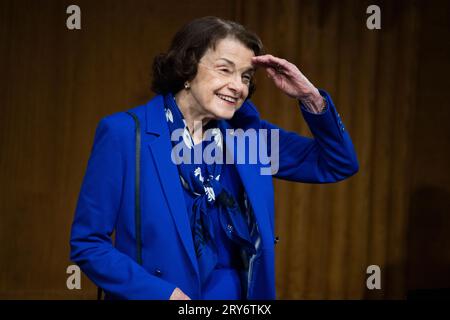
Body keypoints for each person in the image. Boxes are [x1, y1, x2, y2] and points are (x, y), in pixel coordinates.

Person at [70, 16, 358, 300]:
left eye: (245, 76)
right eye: (225, 70)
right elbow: (89, 243)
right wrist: (162, 295)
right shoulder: (124, 134)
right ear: (187, 67)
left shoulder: (249, 139)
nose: (239, 86)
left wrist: (310, 97)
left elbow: (337, 162)